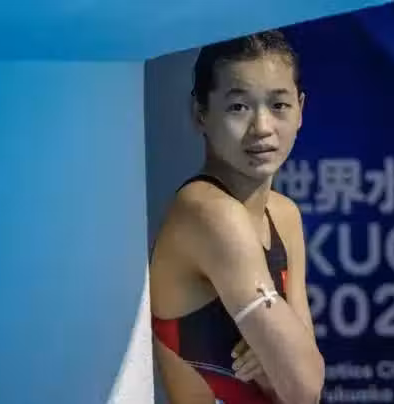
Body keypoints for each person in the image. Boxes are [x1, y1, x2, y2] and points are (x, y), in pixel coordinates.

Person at [150, 29, 325, 404]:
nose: (262, 127)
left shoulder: (284, 215)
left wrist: (276, 358)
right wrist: (277, 355)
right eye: (238, 107)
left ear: (300, 110)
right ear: (200, 113)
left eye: (279, 105)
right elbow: (303, 384)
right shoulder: (209, 213)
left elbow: (305, 379)